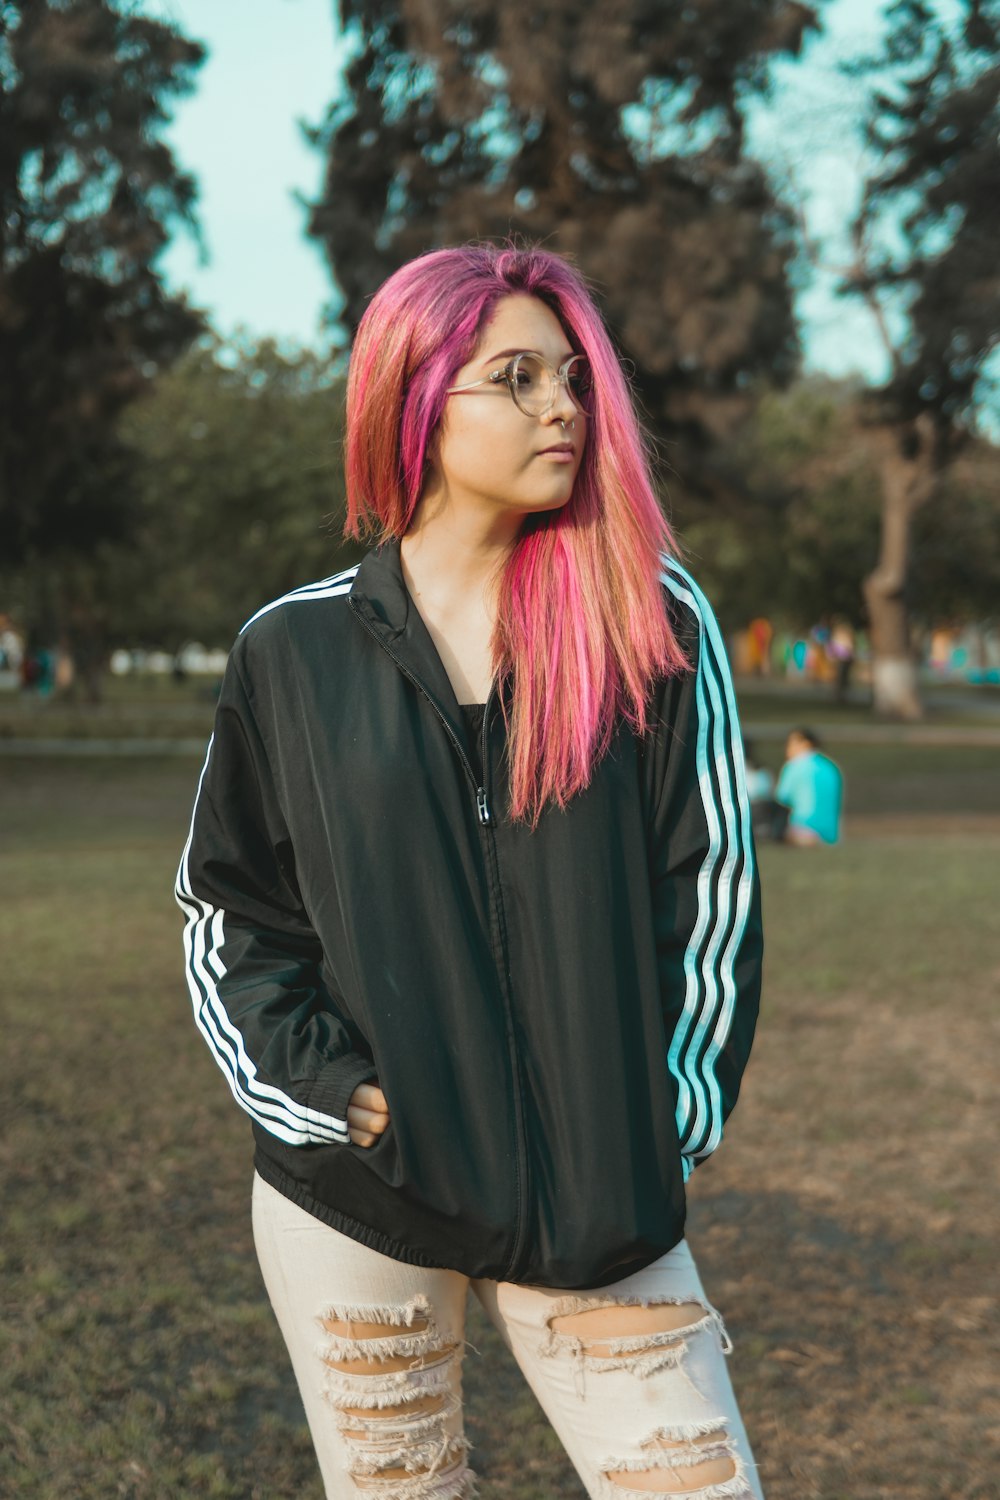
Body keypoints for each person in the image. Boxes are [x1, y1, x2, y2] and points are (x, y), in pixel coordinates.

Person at [176, 243, 765, 1500]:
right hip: (362, 1202)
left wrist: (661, 1124)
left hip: (604, 1210)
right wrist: (328, 1091)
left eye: (571, 377)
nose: (564, 407)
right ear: (414, 398)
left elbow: (708, 887)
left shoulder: (645, 619)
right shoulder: (293, 649)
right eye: (516, 377)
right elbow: (232, 910)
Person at [775, 727, 843, 846]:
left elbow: (781, 799)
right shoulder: (831, 766)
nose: (787, 748)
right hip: (831, 835)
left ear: (806, 743)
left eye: (791, 743)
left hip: (802, 829)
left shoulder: (794, 765)